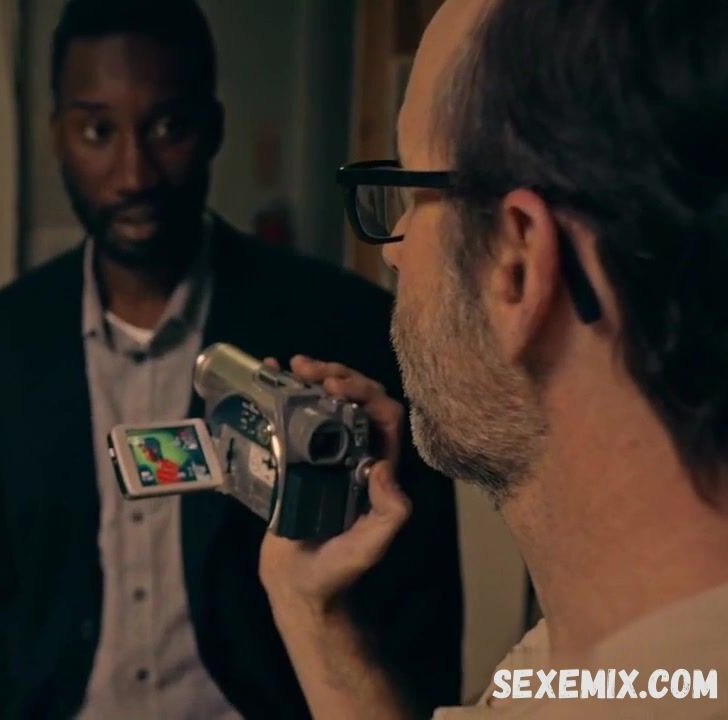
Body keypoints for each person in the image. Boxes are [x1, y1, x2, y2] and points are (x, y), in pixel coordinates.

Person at [0, 0, 463, 716]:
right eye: (97, 131)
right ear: (56, 134)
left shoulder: (343, 326)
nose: (133, 173)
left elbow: (422, 616)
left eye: (168, 127)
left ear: (212, 129)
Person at [259, 0, 728, 717]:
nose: (394, 251)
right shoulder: (609, 651)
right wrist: (311, 609)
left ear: (516, 264)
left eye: (414, 193)